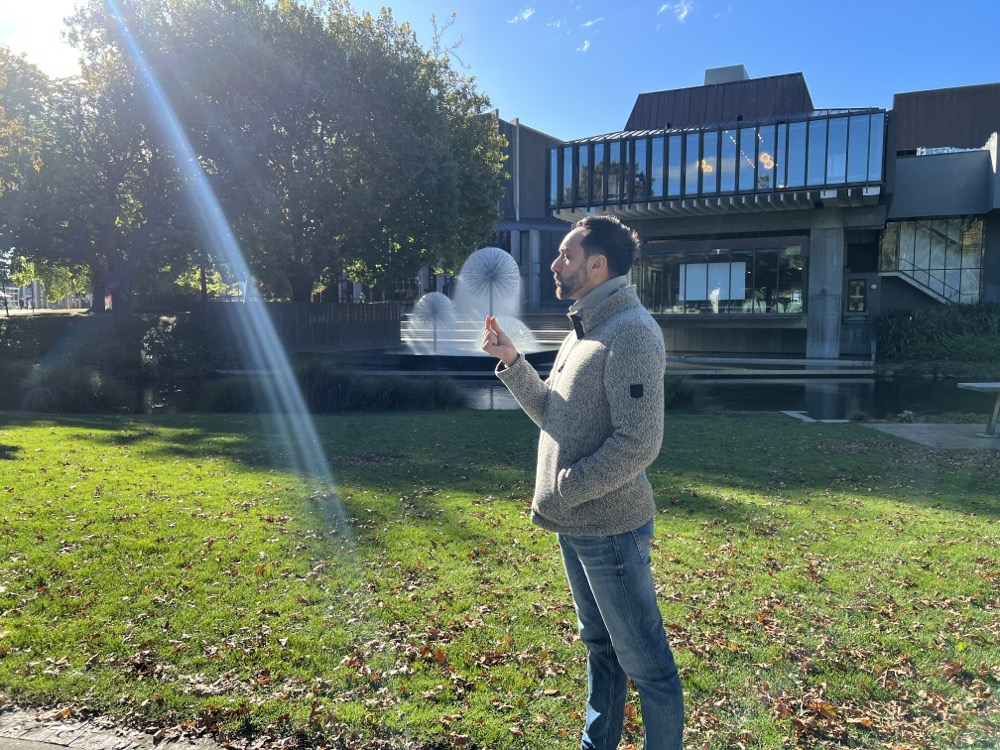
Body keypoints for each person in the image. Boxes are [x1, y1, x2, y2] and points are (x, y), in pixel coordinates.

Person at [482, 215, 683, 749]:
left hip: (610, 530)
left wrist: (569, 487)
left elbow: (640, 442)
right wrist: (511, 362)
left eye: (566, 255)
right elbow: (555, 410)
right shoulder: (586, 328)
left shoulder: (632, 333)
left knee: (651, 669)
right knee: (602, 650)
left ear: (598, 265)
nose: (555, 263)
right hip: (578, 526)